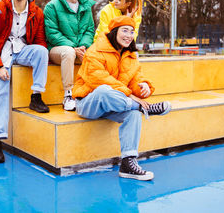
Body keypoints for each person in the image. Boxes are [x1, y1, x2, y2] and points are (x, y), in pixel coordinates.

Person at [72, 16, 171, 181]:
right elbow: (99, 79)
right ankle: (142, 108)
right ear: (114, 32)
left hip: (115, 106)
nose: (129, 35)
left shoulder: (131, 56)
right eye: (124, 30)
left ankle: (128, 163)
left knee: (132, 115)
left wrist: (144, 87)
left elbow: (136, 79)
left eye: (131, 32)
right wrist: (133, 99)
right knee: (104, 90)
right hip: (89, 102)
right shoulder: (95, 51)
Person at [0, 0, 49, 163]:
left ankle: (36, 96)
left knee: (42, 52)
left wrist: (37, 52)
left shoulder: (37, 11)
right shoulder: (0, 8)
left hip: (22, 50)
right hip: (1, 53)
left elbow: (40, 40)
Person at [44, 0, 96, 111]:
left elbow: (90, 30)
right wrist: (74, 47)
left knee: (97, 54)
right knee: (68, 53)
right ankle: (68, 95)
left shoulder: (85, 6)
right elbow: (52, 33)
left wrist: (83, 46)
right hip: (58, 50)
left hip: (80, 49)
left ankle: (93, 93)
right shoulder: (52, 6)